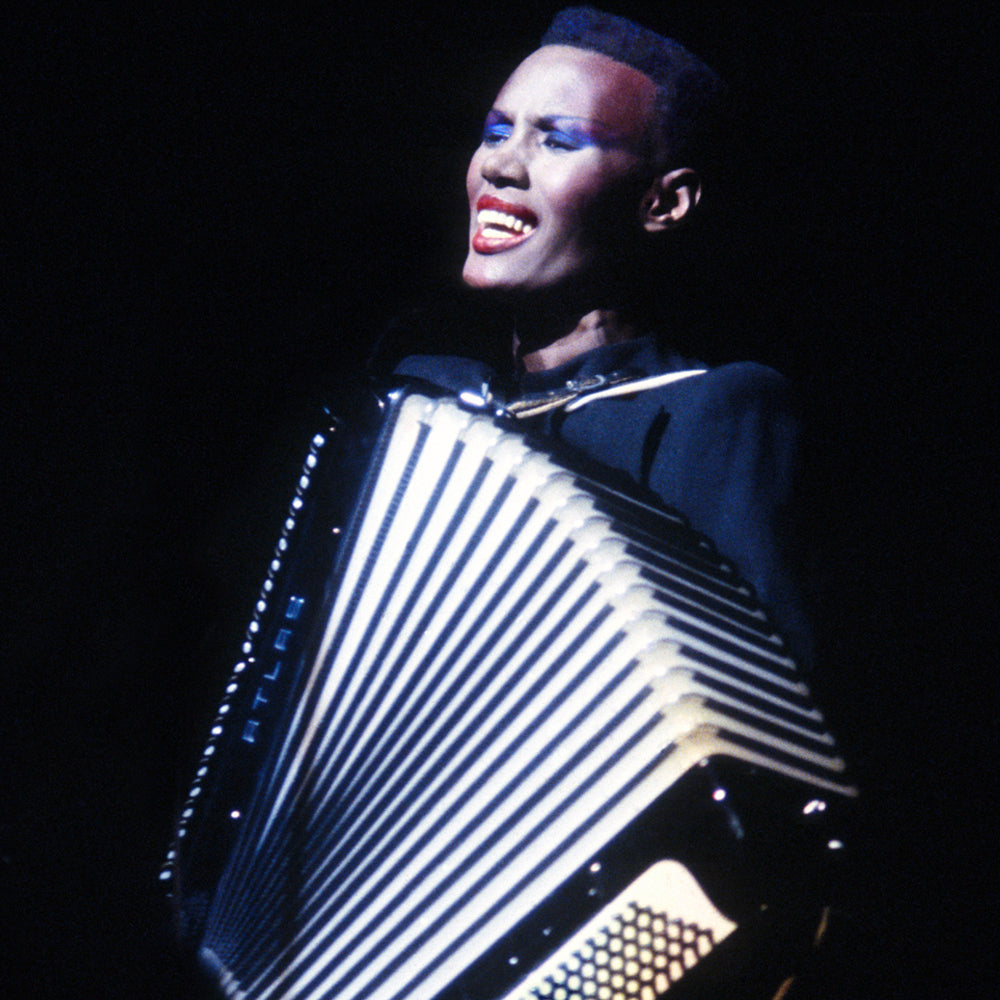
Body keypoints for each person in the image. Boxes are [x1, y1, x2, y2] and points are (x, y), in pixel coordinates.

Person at [393, 6, 814, 667]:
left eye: (558, 141)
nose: (501, 166)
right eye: (496, 132)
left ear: (664, 203)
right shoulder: (417, 397)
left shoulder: (712, 413)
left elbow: (754, 701)